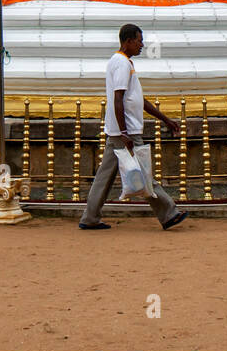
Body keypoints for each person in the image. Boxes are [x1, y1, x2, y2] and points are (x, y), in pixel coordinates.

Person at [79, 24, 187, 231]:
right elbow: (118, 98)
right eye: (139, 40)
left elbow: (138, 100)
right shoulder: (121, 63)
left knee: (105, 176)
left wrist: (164, 119)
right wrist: (124, 131)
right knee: (143, 173)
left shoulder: (123, 62)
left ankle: (90, 217)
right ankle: (169, 213)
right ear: (128, 41)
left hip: (121, 130)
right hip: (126, 130)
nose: (142, 45)